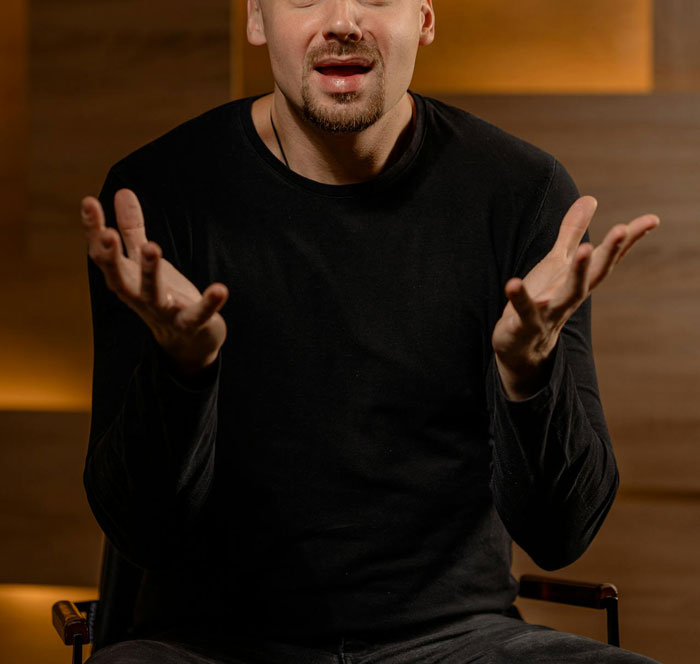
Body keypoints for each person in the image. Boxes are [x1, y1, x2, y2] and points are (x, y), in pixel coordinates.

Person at [81, 1, 660, 662]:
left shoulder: (523, 194)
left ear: (426, 17)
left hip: (455, 641)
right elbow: (140, 530)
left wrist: (529, 375)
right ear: (257, 19)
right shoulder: (157, 196)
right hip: (206, 642)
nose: (344, 19)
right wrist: (181, 371)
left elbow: (562, 533)